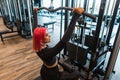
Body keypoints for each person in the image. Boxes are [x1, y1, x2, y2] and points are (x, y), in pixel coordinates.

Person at [33, 8, 84, 80]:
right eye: (47, 35)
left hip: (44, 70)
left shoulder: (37, 46)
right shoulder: (48, 52)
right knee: (77, 73)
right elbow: (65, 40)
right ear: (41, 39)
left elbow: (34, 30)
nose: (49, 35)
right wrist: (76, 16)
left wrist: (35, 13)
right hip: (52, 75)